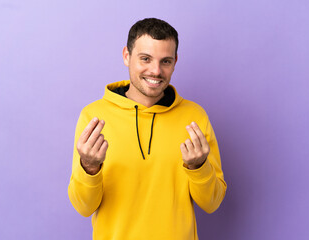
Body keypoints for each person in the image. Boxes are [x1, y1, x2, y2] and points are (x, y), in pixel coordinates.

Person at [68, 18, 227, 240]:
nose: (155, 71)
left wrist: (198, 166)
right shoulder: (93, 116)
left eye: (166, 61)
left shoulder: (194, 117)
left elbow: (212, 203)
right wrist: (89, 166)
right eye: (145, 59)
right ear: (126, 56)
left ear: (175, 62)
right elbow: (83, 207)